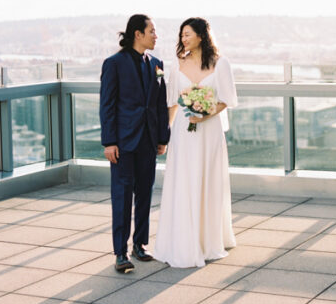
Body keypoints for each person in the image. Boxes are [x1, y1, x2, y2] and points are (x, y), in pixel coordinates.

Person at [153, 17, 238, 268]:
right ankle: (182, 238)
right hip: (183, 132)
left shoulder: (221, 64)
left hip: (209, 130)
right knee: (184, 179)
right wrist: (165, 134)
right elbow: (171, 102)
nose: (183, 39)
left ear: (202, 35)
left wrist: (205, 114)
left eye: (188, 34)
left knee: (208, 180)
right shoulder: (177, 64)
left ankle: (208, 239)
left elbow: (227, 99)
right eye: (182, 35)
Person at [99, 14, 170, 273]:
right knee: (122, 196)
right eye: (152, 31)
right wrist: (109, 142)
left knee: (145, 194)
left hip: (149, 141)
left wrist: (163, 137)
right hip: (123, 142)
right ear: (137, 34)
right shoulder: (114, 63)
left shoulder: (157, 64)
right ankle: (120, 252)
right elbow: (107, 105)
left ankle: (140, 244)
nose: (156, 35)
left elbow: (160, 104)